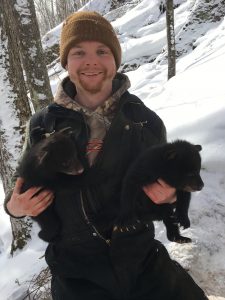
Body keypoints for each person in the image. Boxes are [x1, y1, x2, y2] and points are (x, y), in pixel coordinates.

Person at [4, 11, 208, 300]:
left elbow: (171, 184)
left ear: (115, 59)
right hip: (76, 273)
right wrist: (16, 206)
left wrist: (171, 197)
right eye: (78, 52)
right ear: (65, 62)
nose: (91, 60)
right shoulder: (43, 125)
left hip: (141, 263)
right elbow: (17, 192)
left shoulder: (145, 122)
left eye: (102, 51)